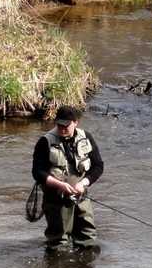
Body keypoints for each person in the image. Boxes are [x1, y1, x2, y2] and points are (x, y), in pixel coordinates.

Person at [32, 106, 104, 251]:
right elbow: (37, 172)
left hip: (81, 197)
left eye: (66, 125)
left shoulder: (86, 137)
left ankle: (84, 264)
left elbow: (98, 166)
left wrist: (83, 183)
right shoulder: (45, 142)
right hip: (55, 200)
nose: (62, 128)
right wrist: (60, 185)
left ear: (75, 122)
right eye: (59, 125)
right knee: (58, 243)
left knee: (88, 238)